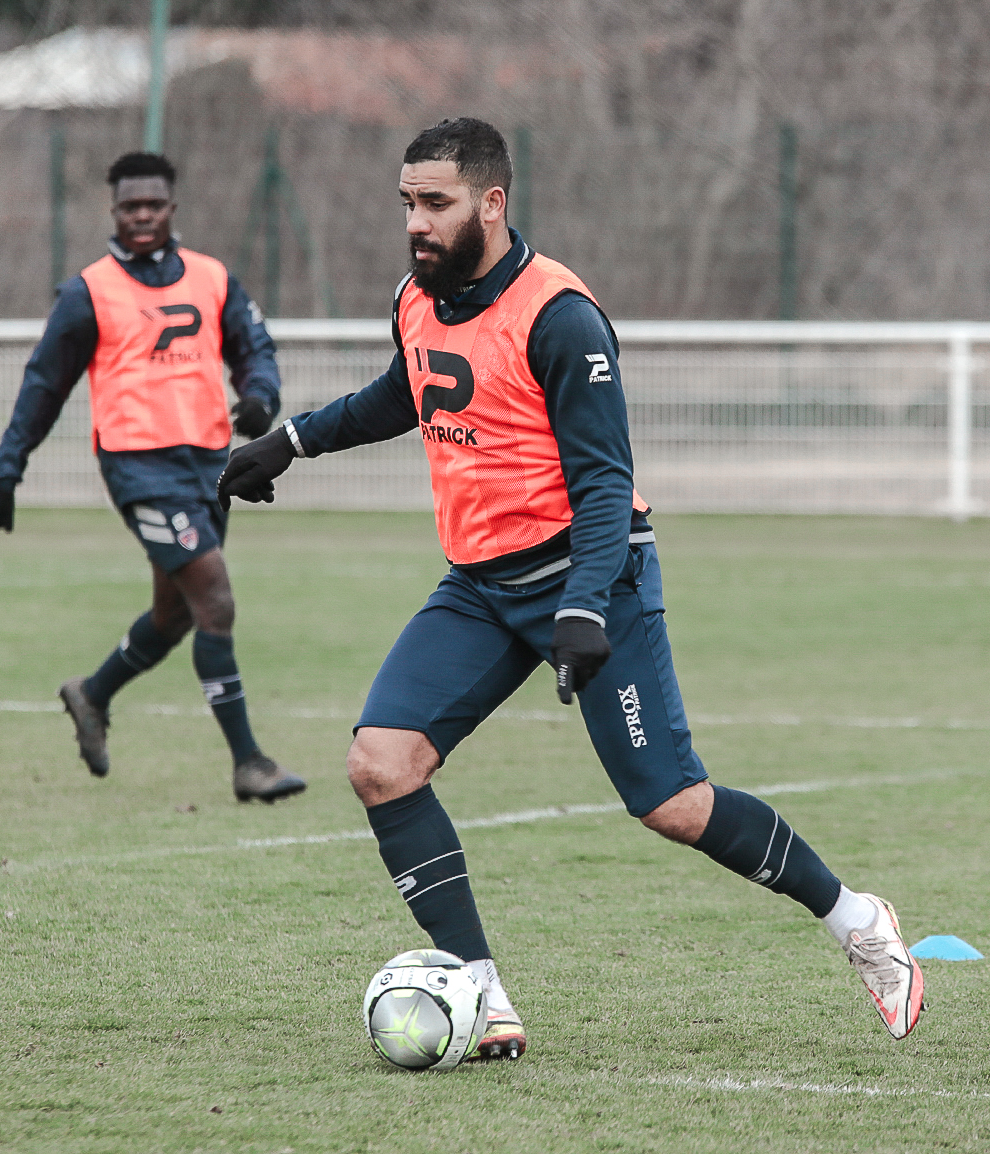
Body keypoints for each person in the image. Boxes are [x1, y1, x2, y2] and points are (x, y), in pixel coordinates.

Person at [219, 118, 923, 1059]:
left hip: (595, 577)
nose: (417, 224)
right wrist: (291, 442)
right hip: (480, 585)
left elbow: (603, 483)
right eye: (408, 205)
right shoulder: (416, 297)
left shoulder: (561, 317)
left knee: (674, 806)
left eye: (437, 204)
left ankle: (856, 922)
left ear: (492, 203)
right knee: (382, 764)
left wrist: (586, 606)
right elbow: (407, 391)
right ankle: (481, 995)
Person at [0, 151, 305, 804]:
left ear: (172, 209)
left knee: (176, 613)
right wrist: (6, 468)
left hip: (211, 466)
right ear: (113, 211)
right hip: (138, 469)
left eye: (152, 205)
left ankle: (92, 694)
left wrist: (260, 398)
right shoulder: (89, 292)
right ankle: (249, 763)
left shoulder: (214, 279)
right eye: (130, 206)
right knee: (214, 598)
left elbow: (255, 350)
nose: (141, 217)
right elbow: (44, 385)